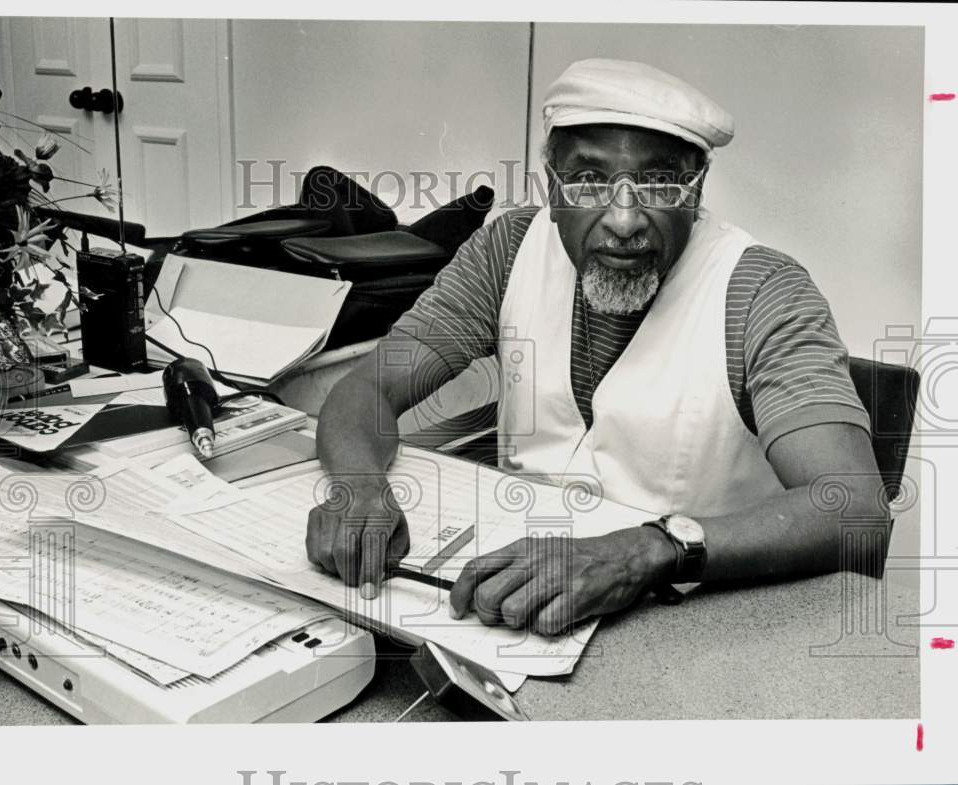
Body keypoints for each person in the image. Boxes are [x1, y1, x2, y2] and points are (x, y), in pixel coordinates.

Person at [306, 58, 887, 636]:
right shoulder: (507, 251)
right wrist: (359, 485)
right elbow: (370, 387)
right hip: (514, 599)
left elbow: (855, 505)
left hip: (693, 620)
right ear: (551, 185)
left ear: (697, 187)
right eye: (589, 180)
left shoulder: (763, 291)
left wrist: (647, 551)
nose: (625, 219)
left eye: (660, 182)